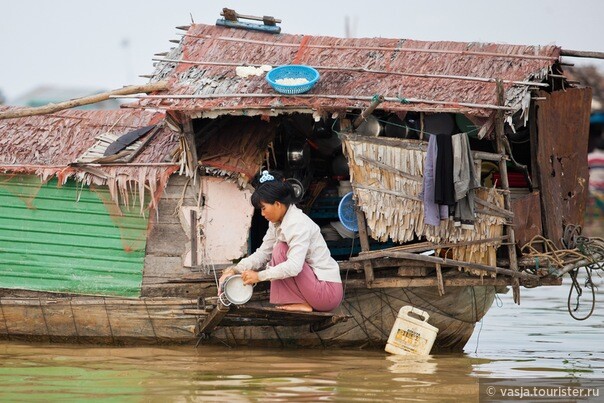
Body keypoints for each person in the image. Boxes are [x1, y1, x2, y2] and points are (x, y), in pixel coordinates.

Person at [220, 170, 343, 312]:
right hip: (315, 290)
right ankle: (301, 302)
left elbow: (294, 267)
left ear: (277, 204)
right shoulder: (276, 223)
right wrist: (235, 269)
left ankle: (302, 302)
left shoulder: (297, 223)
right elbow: (263, 253)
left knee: (280, 250)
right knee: (277, 249)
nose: (262, 214)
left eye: (264, 208)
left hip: (327, 293)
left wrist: (259, 276)